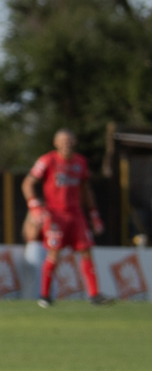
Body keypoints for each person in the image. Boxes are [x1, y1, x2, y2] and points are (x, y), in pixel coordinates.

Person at [23, 129, 112, 307]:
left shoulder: (81, 162)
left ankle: (94, 295)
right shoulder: (47, 160)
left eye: (70, 141)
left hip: (76, 215)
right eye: (63, 141)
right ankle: (45, 296)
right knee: (54, 253)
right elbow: (27, 183)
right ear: (56, 143)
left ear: (75, 142)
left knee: (86, 251)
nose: (67, 144)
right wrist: (35, 207)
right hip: (56, 216)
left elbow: (86, 189)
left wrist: (94, 215)